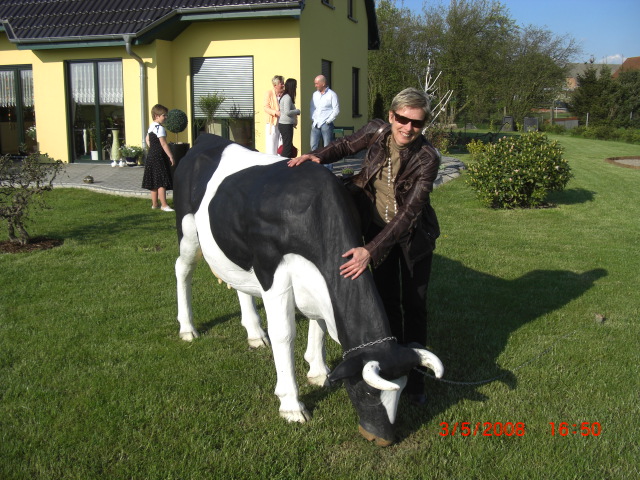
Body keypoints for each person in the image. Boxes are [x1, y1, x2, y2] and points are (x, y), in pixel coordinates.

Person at [288, 88, 440, 405]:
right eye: (403, 119)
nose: (408, 128)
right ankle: (392, 361)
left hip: (413, 238)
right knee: (386, 300)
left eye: (417, 123)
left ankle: (416, 380)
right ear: (391, 116)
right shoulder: (376, 131)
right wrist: (318, 156)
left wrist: (370, 250)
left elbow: (409, 214)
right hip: (376, 230)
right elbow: (345, 145)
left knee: (414, 305)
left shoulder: (428, 158)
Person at [142, 104, 175, 212]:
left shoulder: (152, 126)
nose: (166, 117)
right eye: (164, 115)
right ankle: (164, 205)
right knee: (161, 181)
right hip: (159, 156)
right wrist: (171, 156)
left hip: (151, 155)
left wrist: (152, 147)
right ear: (157, 115)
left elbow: (147, 139)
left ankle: (155, 204)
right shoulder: (159, 128)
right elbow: (164, 144)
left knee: (154, 180)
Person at [309, 75, 339, 170]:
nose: (315, 85)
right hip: (316, 123)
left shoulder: (332, 95)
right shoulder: (315, 94)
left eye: (317, 83)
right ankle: (314, 167)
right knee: (313, 146)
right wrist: (313, 118)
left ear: (323, 83)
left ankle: (328, 168)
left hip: (326, 124)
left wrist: (328, 121)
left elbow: (336, 109)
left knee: (327, 147)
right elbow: (312, 107)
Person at [278, 78, 301, 158]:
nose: (296, 88)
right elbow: (287, 112)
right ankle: (283, 163)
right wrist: (297, 111)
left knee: (288, 146)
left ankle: (285, 162)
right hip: (286, 125)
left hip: (285, 124)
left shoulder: (285, 96)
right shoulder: (287, 97)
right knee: (287, 148)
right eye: (295, 86)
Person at [264, 75, 285, 154]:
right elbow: (266, 107)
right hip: (272, 123)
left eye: (283, 83)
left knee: (281, 146)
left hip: (283, 122)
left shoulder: (285, 94)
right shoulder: (269, 93)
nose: (283, 85)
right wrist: (275, 112)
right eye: (281, 83)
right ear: (275, 85)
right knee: (272, 146)